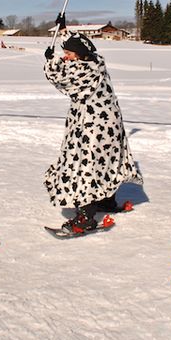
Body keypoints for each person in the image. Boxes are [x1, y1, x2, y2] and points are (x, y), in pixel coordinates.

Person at [43, 32, 143, 233]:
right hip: (106, 124)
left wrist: (50, 61)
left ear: (80, 54)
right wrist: (64, 31)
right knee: (104, 161)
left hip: (94, 126)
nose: (66, 56)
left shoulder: (85, 71)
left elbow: (59, 78)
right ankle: (105, 200)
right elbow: (80, 44)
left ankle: (87, 217)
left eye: (69, 53)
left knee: (86, 165)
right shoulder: (95, 61)